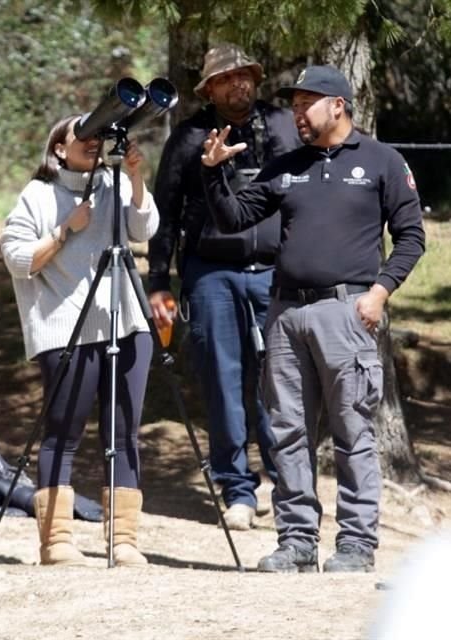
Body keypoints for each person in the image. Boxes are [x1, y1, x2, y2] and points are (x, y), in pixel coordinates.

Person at [201, 65, 425, 572]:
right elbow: (233, 218)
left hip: (346, 313)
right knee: (286, 431)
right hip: (285, 314)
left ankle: (356, 545)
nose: (297, 113)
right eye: (295, 104)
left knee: (352, 431)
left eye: (307, 103)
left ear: (338, 105)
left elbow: (412, 236)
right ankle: (297, 541)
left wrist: (379, 293)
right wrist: (212, 172)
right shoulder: (287, 165)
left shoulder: (381, 161)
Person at [148, 43, 300, 530]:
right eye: (227, 78)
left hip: (277, 273)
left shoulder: (282, 127)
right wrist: (158, 283)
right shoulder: (189, 137)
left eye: (247, 75)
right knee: (222, 383)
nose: (240, 84)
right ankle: (237, 489)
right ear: (209, 88)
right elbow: (164, 213)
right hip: (211, 273)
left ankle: (286, 488)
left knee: (279, 386)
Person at [0, 115, 159, 566]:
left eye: (96, 137)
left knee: (124, 432)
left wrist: (135, 176)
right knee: (63, 434)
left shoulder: (113, 183)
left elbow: (143, 229)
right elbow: (17, 260)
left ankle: (124, 540)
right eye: (82, 138)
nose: (92, 143)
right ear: (58, 150)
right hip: (64, 326)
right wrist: (66, 228)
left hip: (125, 321)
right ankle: (57, 543)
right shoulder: (38, 195)